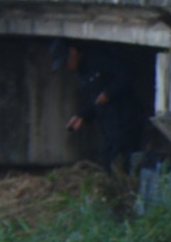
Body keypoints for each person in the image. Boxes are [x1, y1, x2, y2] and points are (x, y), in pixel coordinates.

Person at [51, 41, 144, 174]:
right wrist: (82, 115)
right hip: (108, 123)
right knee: (106, 156)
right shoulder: (81, 73)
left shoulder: (97, 60)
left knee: (127, 157)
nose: (67, 67)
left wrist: (109, 93)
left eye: (66, 61)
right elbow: (95, 100)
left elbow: (126, 72)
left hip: (125, 117)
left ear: (73, 51)